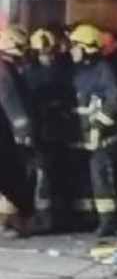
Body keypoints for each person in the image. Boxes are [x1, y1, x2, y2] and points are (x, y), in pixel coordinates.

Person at [68, 23, 117, 237]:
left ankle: (107, 222)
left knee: (101, 179)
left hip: (100, 136)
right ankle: (86, 218)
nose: (72, 50)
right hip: (82, 135)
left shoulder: (103, 70)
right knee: (84, 179)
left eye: (76, 46)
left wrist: (99, 124)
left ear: (88, 48)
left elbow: (114, 100)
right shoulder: (78, 71)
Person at [23, 27, 76, 233]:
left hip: (59, 131)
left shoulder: (62, 71)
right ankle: (42, 218)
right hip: (40, 132)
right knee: (41, 176)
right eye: (44, 52)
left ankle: (60, 215)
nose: (48, 56)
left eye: (50, 51)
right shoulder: (28, 74)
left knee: (61, 174)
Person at [0, 25, 35, 238]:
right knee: (12, 177)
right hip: (5, 136)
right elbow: (12, 105)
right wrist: (25, 134)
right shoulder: (4, 71)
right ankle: (11, 223)